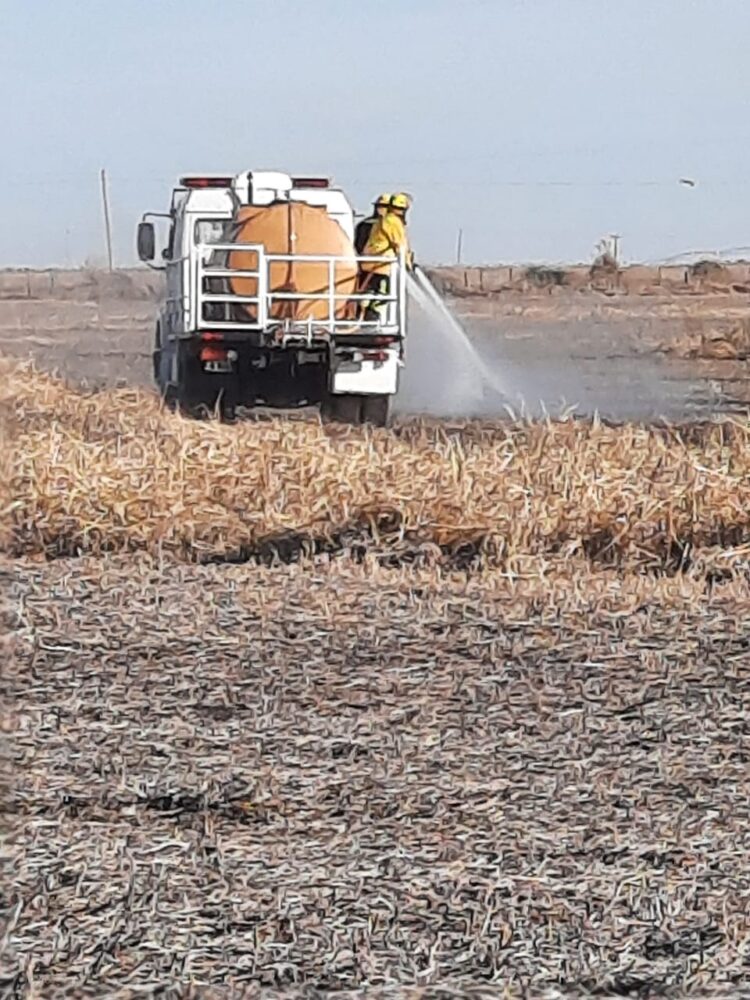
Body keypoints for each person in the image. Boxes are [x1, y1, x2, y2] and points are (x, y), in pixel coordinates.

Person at [359, 192, 415, 320]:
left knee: (371, 290)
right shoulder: (392, 221)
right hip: (380, 265)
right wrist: (408, 264)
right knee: (384, 292)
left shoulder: (382, 221)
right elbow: (399, 244)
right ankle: (371, 315)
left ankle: (364, 313)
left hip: (372, 263)